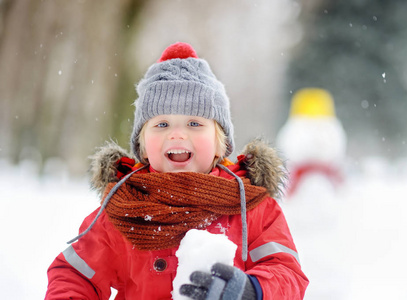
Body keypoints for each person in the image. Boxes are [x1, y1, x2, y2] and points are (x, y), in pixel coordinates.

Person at [45, 42, 308, 300]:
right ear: (143, 147)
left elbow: (287, 271)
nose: (177, 134)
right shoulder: (124, 207)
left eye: (194, 123)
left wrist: (253, 290)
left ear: (221, 145)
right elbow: (74, 275)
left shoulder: (250, 206)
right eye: (162, 124)